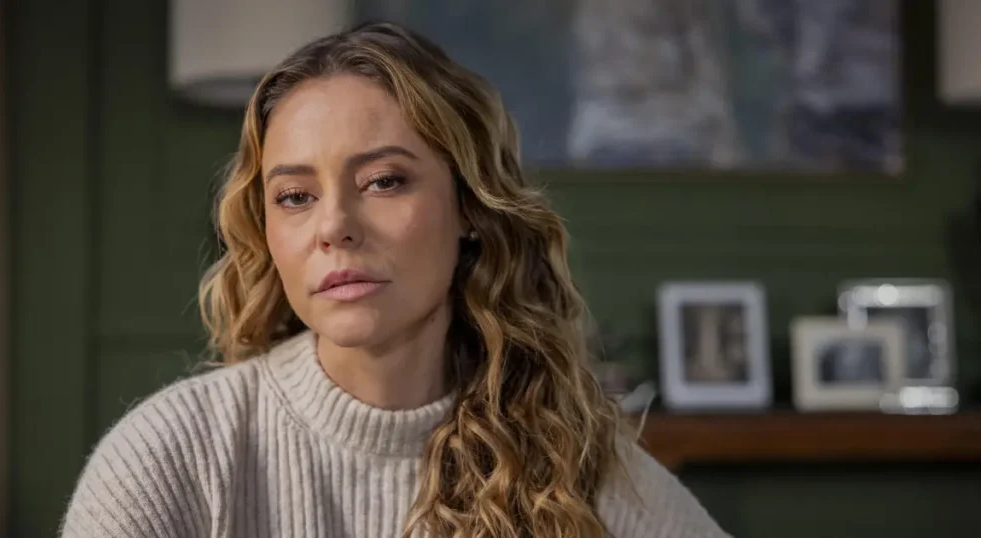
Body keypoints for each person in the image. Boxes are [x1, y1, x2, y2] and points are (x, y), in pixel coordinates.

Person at [60, 21, 728, 538]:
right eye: (295, 196)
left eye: (383, 181)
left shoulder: (570, 461)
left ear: (469, 206)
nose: (334, 226)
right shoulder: (170, 458)